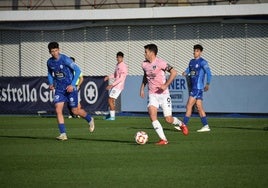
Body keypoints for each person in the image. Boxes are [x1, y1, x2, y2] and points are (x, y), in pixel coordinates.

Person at [140, 44, 188, 145]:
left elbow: (174, 72)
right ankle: (163, 139)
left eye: (146, 52)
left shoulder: (160, 63)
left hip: (164, 95)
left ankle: (181, 124)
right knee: (152, 115)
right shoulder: (144, 64)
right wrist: (142, 88)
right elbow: (145, 76)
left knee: (168, 119)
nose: (144, 54)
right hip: (152, 94)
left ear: (152, 53)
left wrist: (166, 85)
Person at [47, 42, 95, 140]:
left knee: (75, 111)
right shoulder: (49, 62)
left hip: (70, 89)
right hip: (59, 89)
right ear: (50, 52)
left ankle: (90, 119)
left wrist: (72, 85)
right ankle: (63, 134)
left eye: (56, 50)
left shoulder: (65, 59)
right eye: (52, 51)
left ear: (59, 50)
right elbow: (49, 73)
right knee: (58, 109)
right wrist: (51, 83)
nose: (55, 53)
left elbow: (78, 70)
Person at [180, 44, 212, 132]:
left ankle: (183, 125)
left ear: (201, 52)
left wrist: (208, 83)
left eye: (197, 51)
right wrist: (185, 72)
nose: (195, 52)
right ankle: (206, 125)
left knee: (189, 105)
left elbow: (209, 73)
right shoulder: (191, 61)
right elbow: (189, 69)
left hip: (197, 88)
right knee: (199, 107)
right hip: (195, 87)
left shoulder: (203, 62)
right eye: (194, 50)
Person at [104, 52, 128, 120]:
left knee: (110, 100)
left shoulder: (123, 66)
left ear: (122, 58)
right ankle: (111, 115)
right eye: (118, 57)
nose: (119, 58)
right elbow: (115, 75)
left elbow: (121, 78)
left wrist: (112, 85)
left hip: (118, 86)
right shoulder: (117, 65)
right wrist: (108, 77)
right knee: (110, 100)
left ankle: (112, 117)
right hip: (116, 85)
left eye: (120, 57)